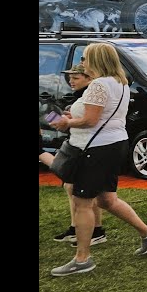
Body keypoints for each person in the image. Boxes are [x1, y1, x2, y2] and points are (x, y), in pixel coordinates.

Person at [42, 43, 147, 276]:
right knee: (107, 199)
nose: (83, 62)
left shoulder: (99, 85)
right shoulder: (120, 83)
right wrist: (73, 117)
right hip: (113, 144)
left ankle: (82, 259)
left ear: (97, 60)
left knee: (82, 201)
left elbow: (90, 120)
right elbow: (101, 115)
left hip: (95, 148)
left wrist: (66, 122)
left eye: (85, 58)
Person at [41, 63, 107, 245]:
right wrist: (68, 120)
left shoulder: (91, 94)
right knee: (72, 187)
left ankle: (95, 231)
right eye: (70, 77)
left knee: (88, 193)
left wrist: (68, 122)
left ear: (89, 78)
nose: (71, 81)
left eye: (76, 77)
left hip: (87, 148)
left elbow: (91, 121)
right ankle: (77, 228)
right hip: (79, 144)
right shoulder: (81, 95)